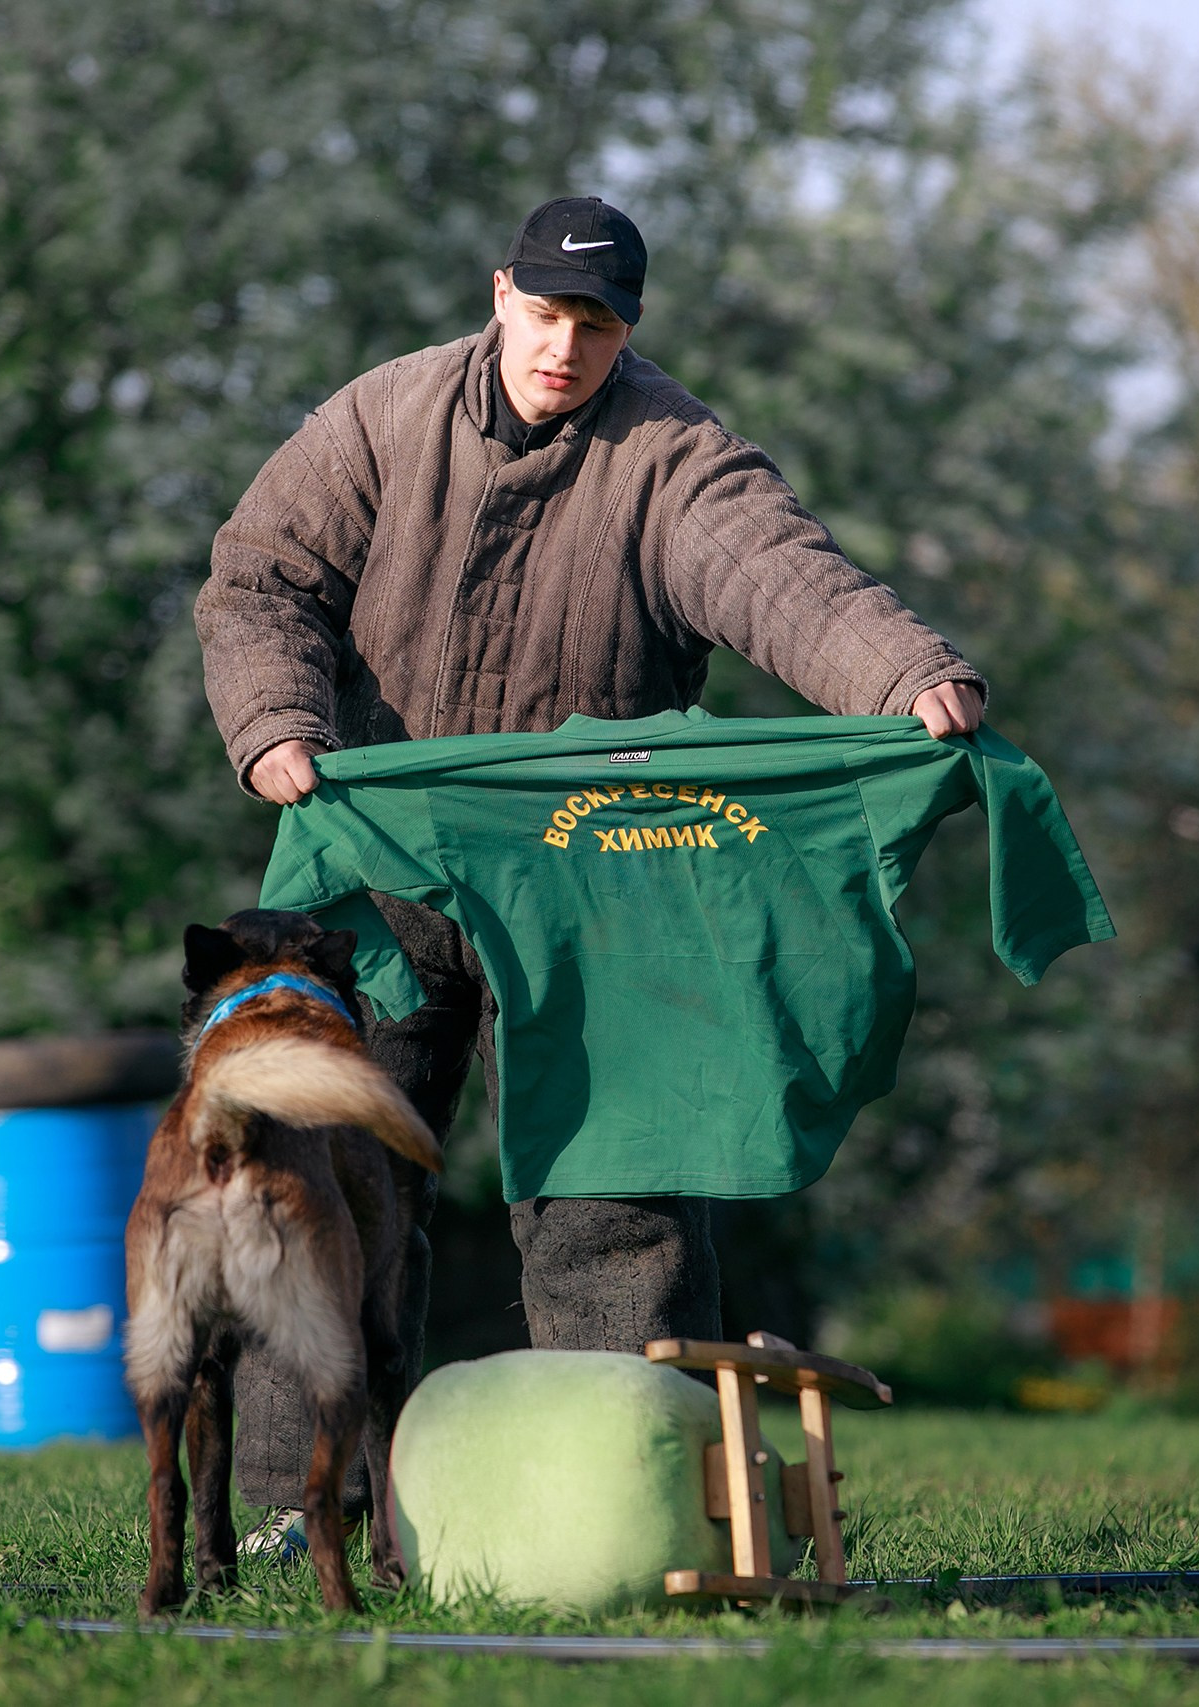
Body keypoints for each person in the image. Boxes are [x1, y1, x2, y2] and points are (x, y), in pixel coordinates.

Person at [195, 194, 986, 1546]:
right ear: (502, 294)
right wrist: (276, 726)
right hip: (388, 857)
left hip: (599, 878)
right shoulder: (382, 418)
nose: (566, 346)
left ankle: (645, 1502)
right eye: (548, 313)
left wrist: (907, 673)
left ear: (631, 329)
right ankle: (299, 1510)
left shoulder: (675, 457)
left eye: (599, 323)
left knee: (613, 1195)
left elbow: (780, 577)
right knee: (327, 1186)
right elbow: (260, 577)